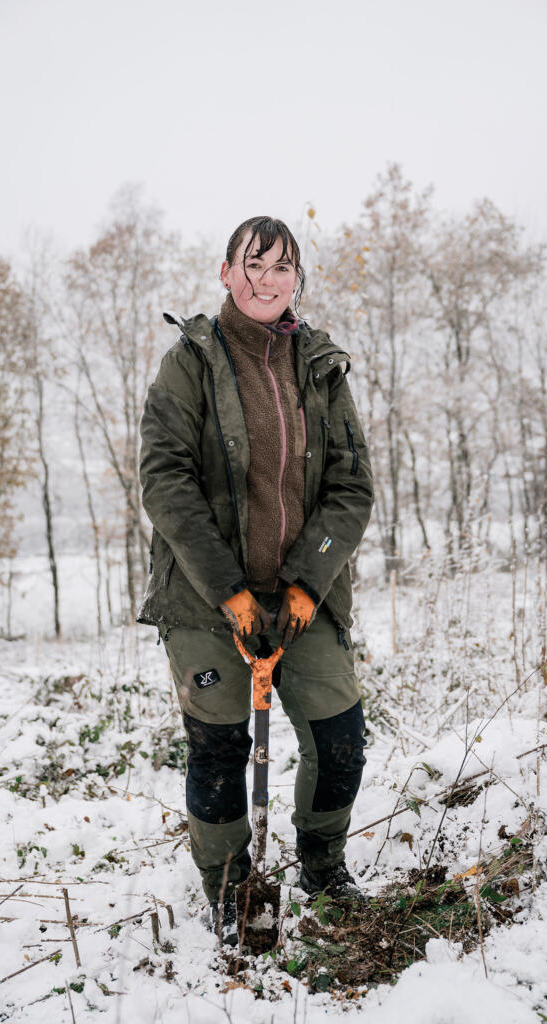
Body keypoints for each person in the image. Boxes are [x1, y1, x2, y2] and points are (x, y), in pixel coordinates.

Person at [138, 216, 374, 943]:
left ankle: (323, 866)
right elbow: (165, 481)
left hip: (304, 596)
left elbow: (351, 486)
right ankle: (230, 890)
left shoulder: (320, 365)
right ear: (226, 272)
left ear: (296, 279)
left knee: (340, 735)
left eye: (281, 267)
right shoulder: (190, 364)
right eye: (253, 264)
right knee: (218, 748)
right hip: (205, 600)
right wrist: (229, 590)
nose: (266, 280)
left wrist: (306, 582)